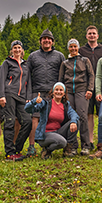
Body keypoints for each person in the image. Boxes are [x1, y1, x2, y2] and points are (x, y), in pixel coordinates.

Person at [26, 29, 65, 157]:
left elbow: (62, 75)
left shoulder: (59, 56)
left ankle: (50, 144)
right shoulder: (33, 56)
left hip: (53, 93)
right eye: (44, 38)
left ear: (52, 42)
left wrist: (60, 92)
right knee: (35, 118)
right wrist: (29, 95)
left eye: (49, 39)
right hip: (37, 92)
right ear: (40, 41)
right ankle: (32, 146)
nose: (46, 40)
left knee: (53, 117)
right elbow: (27, 76)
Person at [23, 83, 79, 160]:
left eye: (61, 90)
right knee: (62, 142)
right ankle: (47, 150)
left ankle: (68, 149)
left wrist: (73, 122)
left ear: (64, 93)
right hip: (45, 134)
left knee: (76, 121)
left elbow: (74, 114)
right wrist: (34, 102)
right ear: (52, 92)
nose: (58, 92)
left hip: (58, 132)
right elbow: (27, 109)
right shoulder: (46, 103)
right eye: (56, 90)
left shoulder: (65, 104)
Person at [0, 40, 32, 161]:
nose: (17, 50)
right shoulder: (7, 63)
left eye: (19, 48)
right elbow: (1, 79)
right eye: (15, 48)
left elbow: (29, 83)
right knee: (10, 122)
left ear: (22, 50)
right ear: (11, 50)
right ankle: (9, 153)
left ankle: (17, 149)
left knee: (28, 121)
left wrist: (28, 98)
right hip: (9, 94)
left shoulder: (26, 65)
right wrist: (1, 95)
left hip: (22, 97)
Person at [59, 38, 95, 155]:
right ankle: (72, 146)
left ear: (78, 47)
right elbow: (60, 79)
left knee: (82, 116)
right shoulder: (65, 63)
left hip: (81, 90)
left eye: (75, 46)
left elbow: (91, 76)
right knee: (69, 117)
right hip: (68, 91)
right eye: (71, 47)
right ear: (68, 48)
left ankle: (86, 145)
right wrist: (61, 92)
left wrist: (90, 89)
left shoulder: (85, 60)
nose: (73, 49)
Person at [79, 25, 102, 150]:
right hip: (87, 87)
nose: (92, 35)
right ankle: (90, 141)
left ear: (97, 36)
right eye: (89, 33)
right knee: (88, 114)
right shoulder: (81, 50)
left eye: (94, 33)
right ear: (86, 36)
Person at [0, 66, 21, 158]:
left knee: (17, 120)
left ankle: (12, 146)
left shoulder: (23, 69)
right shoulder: (2, 67)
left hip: (16, 98)